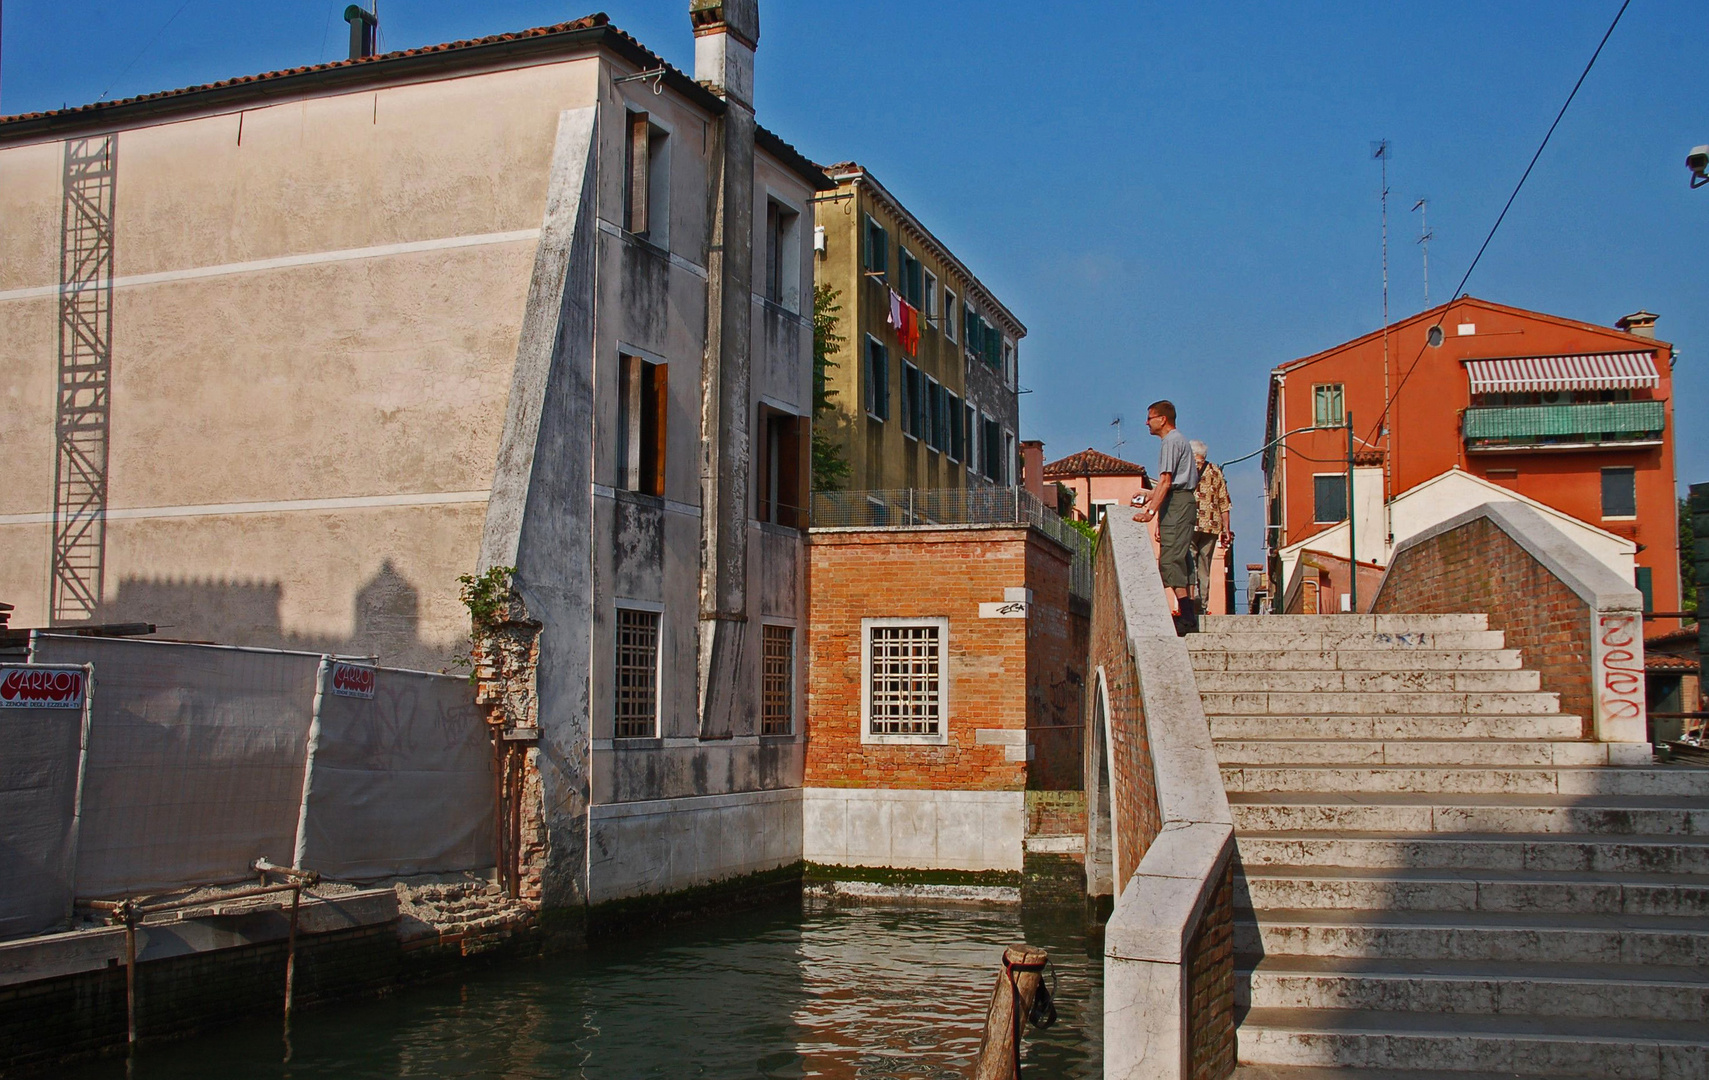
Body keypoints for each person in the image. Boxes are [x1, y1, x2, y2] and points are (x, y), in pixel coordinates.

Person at [1131, 400, 1199, 631]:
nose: (1146, 422)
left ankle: (1187, 616)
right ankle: (1188, 613)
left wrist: (1149, 513)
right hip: (1181, 500)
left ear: (1163, 419)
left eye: (1150, 418)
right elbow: (1167, 484)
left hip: (1178, 503)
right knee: (1182, 558)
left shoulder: (1170, 442)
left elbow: (1167, 480)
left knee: (1171, 558)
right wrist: (1151, 495)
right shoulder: (1179, 441)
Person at [1190, 440, 1232, 609]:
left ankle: (1191, 601)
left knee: (1189, 563)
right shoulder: (1216, 471)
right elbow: (1225, 503)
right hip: (1212, 526)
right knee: (1204, 566)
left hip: (1190, 524)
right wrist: (1226, 529)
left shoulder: (1185, 470)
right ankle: (1203, 604)